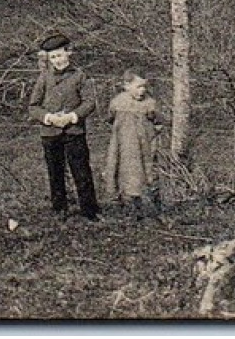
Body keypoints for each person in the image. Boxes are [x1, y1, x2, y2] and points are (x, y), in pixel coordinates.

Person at [26, 31, 100, 221]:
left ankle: (90, 211)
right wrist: (48, 117)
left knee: (81, 171)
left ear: (69, 53)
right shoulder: (44, 77)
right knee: (55, 171)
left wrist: (72, 116)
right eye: (53, 57)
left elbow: (90, 102)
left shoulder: (80, 76)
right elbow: (33, 106)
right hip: (50, 133)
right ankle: (60, 209)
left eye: (60, 55)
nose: (57, 60)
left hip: (74, 132)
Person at [102, 72, 161, 218]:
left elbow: (156, 119)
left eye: (144, 87)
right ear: (126, 86)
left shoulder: (149, 103)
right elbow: (110, 117)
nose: (142, 90)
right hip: (122, 142)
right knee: (123, 168)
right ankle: (123, 201)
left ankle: (144, 202)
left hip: (143, 142)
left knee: (143, 168)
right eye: (138, 86)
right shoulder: (117, 102)